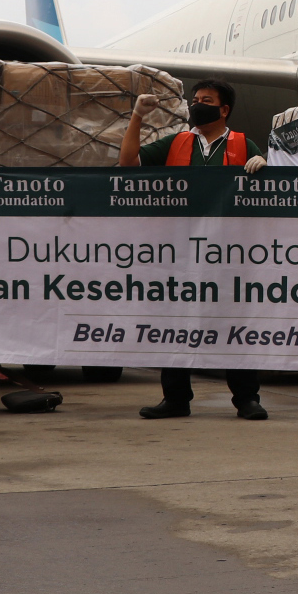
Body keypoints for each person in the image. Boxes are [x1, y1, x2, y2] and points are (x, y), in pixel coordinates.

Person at [119, 78, 271, 422]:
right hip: (180, 250)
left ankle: (247, 398)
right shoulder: (177, 142)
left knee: (234, 324)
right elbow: (128, 163)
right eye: (196, 99)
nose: (197, 105)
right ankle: (175, 398)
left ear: (224, 109)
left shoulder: (243, 144)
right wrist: (137, 117)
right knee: (176, 322)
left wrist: (264, 166)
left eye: (206, 100)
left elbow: (264, 194)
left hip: (228, 253)